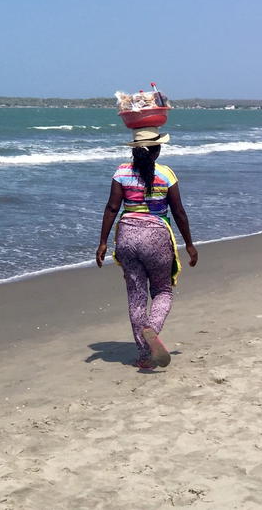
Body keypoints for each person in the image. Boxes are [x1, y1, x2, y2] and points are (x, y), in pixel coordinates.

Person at [95, 127, 198, 370]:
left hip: (127, 236)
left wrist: (102, 242)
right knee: (163, 290)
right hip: (157, 237)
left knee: (136, 295)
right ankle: (152, 328)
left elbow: (112, 208)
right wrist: (190, 244)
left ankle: (144, 354)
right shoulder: (166, 174)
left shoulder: (121, 172)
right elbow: (178, 212)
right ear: (157, 149)